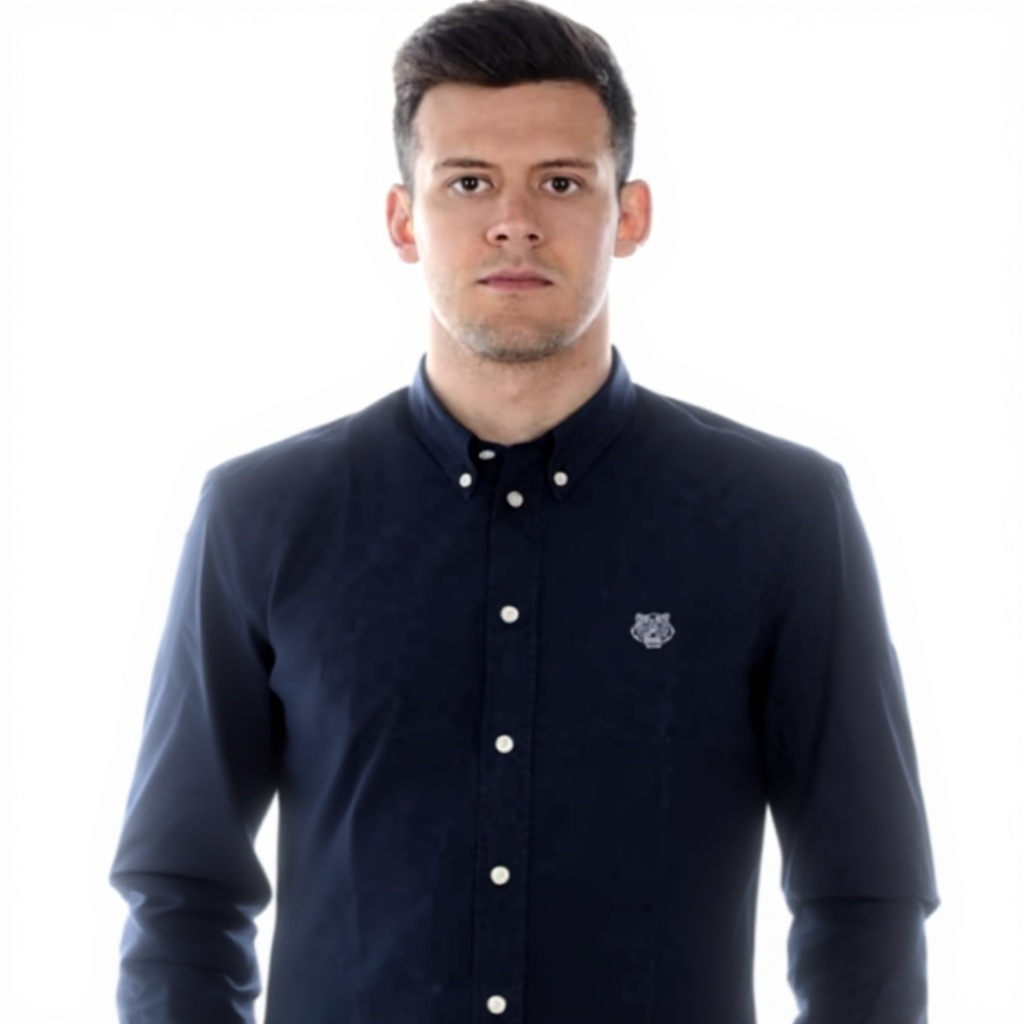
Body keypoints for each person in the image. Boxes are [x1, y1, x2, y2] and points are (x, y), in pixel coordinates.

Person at [110, 1, 939, 1021]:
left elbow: (865, 896)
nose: (513, 221)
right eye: (468, 182)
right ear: (403, 219)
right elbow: (182, 893)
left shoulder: (782, 516)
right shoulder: (260, 516)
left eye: (560, 181)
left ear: (629, 214)